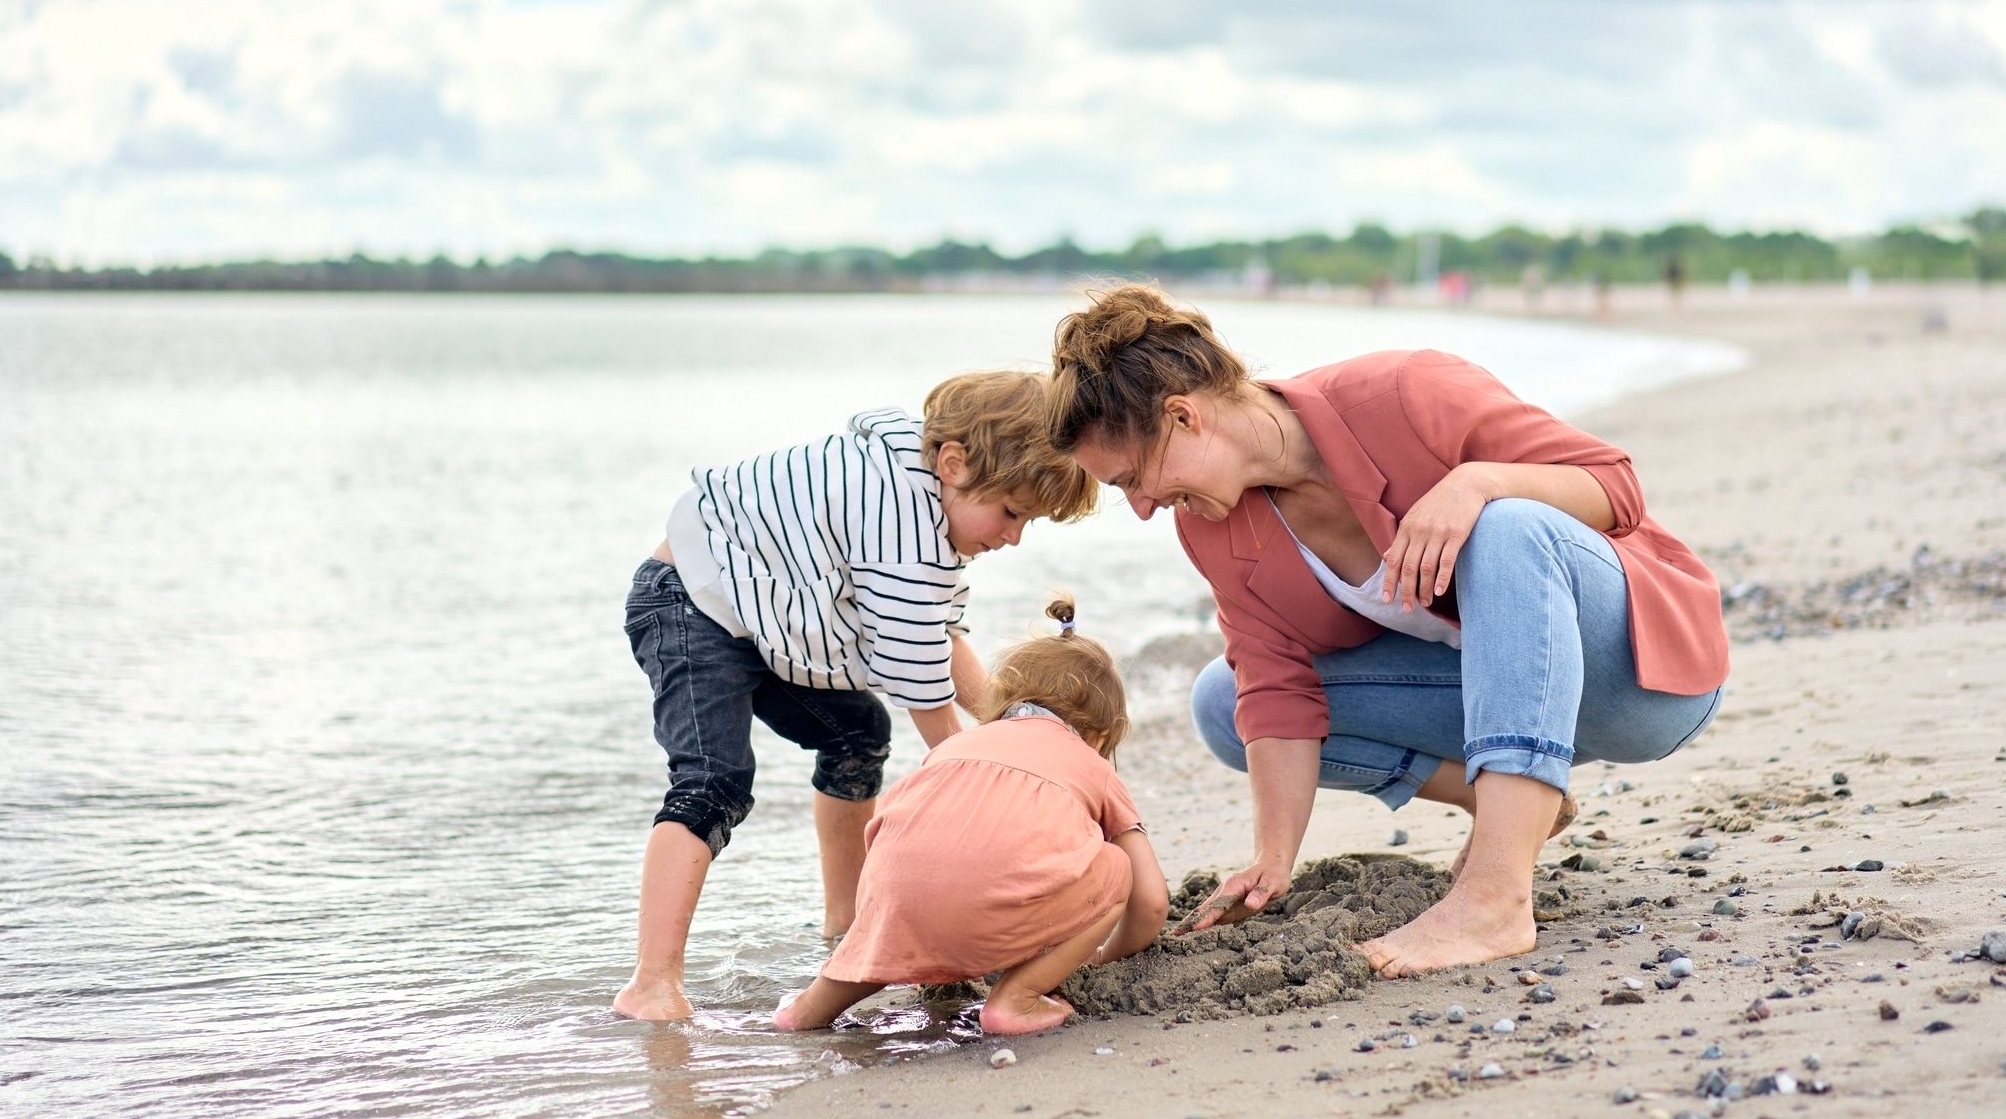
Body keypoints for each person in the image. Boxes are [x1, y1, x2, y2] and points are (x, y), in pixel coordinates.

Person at [1044, 285, 1728, 977]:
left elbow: (1615, 486)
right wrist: (1271, 862)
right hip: (1492, 698)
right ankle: (1512, 809)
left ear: (1184, 416)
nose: (1140, 508)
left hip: (1635, 679)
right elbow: (1274, 683)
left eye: (1133, 478)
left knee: (1507, 525)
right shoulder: (1209, 524)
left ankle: (1495, 895)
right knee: (1222, 700)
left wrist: (1477, 484)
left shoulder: (1406, 392)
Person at [613, 373, 1099, 1020]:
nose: (1014, 536)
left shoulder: (927, 512)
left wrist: (1015, 726)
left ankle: (844, 927)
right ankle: (651, 981)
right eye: (1011, 512)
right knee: (713, 781)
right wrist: (979, 770)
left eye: (1027, 521)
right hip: (687, 602)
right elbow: (916, 668)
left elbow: (940, 634)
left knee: (855, 732)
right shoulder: (898, 510)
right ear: (953, 464)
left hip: (763, 616)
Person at [774, 597, 1169, 1036]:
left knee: (888, 927)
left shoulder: (953, 747)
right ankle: (1015, 1000)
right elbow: (1151, 902)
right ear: (1099, 734)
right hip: (985, 919)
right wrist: (1104, 957)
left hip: (892, 906)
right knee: (1115, 868)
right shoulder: (1088, 760)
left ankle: (806, 1010)